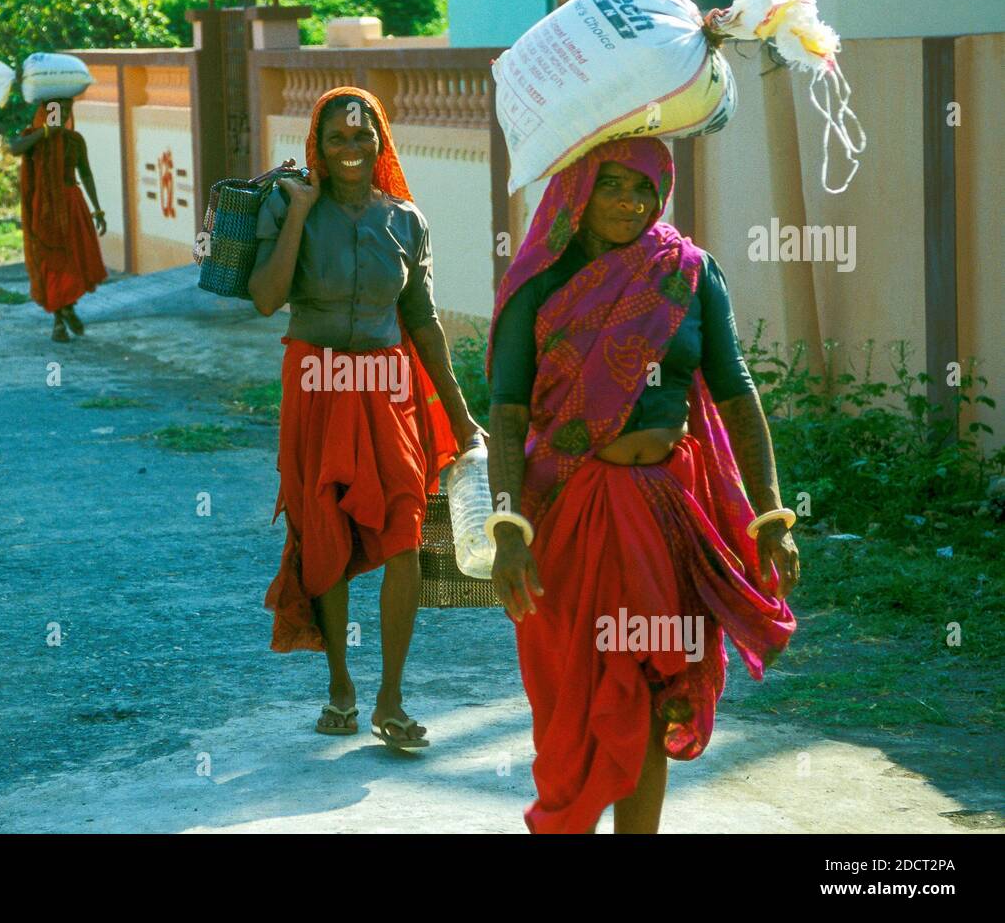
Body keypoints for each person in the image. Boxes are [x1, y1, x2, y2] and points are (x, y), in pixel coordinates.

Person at [486, 137, 799, 833]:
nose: (629, 202)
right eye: (612, 185)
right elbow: (506, 413)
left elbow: (737, 394)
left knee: (658, 691)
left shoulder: (685, 274)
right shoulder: (539, 282)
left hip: (664, 514)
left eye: (644, 188)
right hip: (567, 516)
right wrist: (509, 530)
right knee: (574, 699)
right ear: (580, 190)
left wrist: (771, 511)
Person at [249, 86, 483, 749]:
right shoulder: (287, 204)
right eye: (337, 138)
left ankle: (391, 697)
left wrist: (464, 420)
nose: (351, 149)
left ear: (381, 142)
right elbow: (267, 299)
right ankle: (341, 685)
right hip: (317, 388)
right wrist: (296, 213)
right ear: (317, 148)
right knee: (324, 529)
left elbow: (425, 324)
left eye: (363, 136)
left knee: (405, 527)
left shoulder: (406, 219)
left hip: (386, 392)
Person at [8, 98, 108, 342]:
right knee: (51, 262)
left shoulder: (74, 140)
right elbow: (15, 148)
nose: (61, 114)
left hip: (72, 204)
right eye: (55, 110)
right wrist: (45, 132)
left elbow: (85, 173)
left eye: (66, 110)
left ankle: (65, 310)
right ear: (44, 111)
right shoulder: (33, 137)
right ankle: (60, 319)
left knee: (73, 261)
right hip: (43, 208)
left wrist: (97, 209)